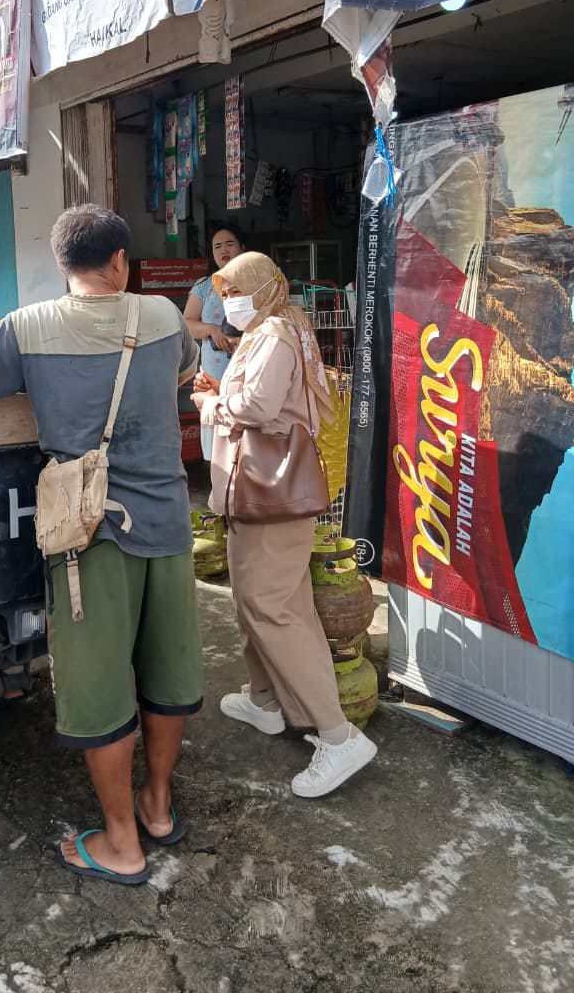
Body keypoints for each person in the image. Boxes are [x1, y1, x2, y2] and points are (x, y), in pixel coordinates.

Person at [0, 205, 203, 887]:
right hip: (168, 524)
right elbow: (181, 373)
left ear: (64, 267)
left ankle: (120, 844)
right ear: (119, 263)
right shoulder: (164, 318)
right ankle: (159, 810)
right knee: (169, 674)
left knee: (98, 687)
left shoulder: (29, 328)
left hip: (88, 535)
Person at [191, 251, 377, 798]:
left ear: (266, 288)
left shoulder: (273, 332)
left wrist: (210, 402)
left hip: (271, 496)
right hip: (259, 494)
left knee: (273, 608)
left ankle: (339, 738)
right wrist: (221, 394)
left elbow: (256, 406)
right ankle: (264, 699)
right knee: (259, 600)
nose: (229, 303)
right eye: (223, 294)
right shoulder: (278, 325)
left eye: (236, 291)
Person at [183, 223, 245, 461]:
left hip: (245, 374)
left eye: (230, 244)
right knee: (217, 451)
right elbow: (187, 324)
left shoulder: (256, 283)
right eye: (217, 246)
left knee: (244, 440)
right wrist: (211, 329)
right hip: (213, 374)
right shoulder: (203, 286)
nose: (223, 250)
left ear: (242, 247)